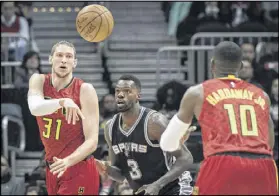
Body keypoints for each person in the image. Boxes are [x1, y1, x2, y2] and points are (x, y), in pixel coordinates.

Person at [160, 41, 277, 195]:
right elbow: (269, 141)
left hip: (222, 163)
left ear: (212, 64)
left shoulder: (197, 92)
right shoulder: (262, 95)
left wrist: (181, 140)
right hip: (263, 165)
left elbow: (167, 143)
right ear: (241, 67)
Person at [95, 75, 194, 195]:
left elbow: (186, 158)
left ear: (138, 96)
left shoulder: (155, 122)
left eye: (127, 91)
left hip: (174, 187)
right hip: (145, 190)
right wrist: (105, 168)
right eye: (117, 91)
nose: (120, 95)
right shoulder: (110, 127)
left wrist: (157, 184)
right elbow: (121, 175)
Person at [27, 41, 100, 195]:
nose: (64, 60)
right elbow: (34, 108)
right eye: (59, 55)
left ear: (75, 63)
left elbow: (92, 142)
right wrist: (62, 102)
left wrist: (68, 161)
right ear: (50, 59)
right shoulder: (38, 80)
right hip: (53, 168)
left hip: (78, 168)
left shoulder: (85, 90)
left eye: (69, 56)